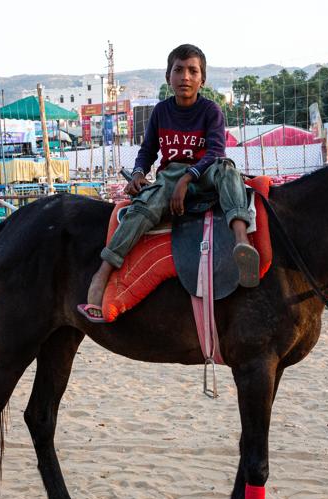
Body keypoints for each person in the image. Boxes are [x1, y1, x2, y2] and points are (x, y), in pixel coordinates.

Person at [78, 43, 258, 323]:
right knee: (143, 206)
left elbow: (214, 152)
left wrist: (189, 177)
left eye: (192, 71)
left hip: (205, 171)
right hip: (171, 175)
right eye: (179, 70)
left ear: (202, 79)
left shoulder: (211, 110)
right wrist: (138, 173)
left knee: (228, 170)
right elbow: (147, 151)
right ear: (168, 76)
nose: (185, 76)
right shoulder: (161, 111)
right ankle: (104, 269)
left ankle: (241, 241)